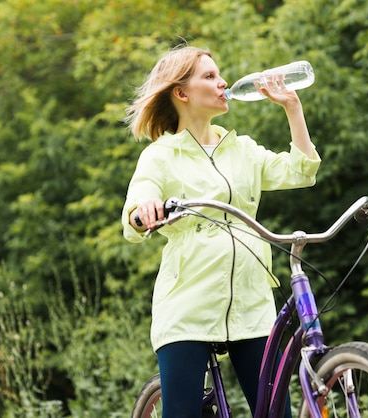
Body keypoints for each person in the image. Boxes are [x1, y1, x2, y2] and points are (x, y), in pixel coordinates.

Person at [121, 44, 321, 418]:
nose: (223, 82)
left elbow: (300, 171)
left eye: (219, 74)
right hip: (188, 306)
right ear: (181, 93)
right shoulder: (161, 155)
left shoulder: (241, 149)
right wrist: (143, 211)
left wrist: (292, 107)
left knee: (276, 413)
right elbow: (137, 206)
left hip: (251, 302)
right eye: (209, 76)